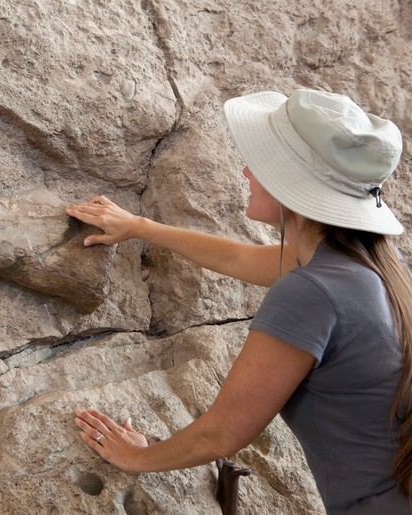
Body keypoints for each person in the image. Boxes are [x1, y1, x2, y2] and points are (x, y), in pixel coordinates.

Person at [67, 89, 412, 514]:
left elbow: (222, 434)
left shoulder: (313, 292)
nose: (248, 171)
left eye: (263, 163)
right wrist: (139, 226)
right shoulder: (370, 264)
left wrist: (135, 456)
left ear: (293, 185)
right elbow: (238, 257)